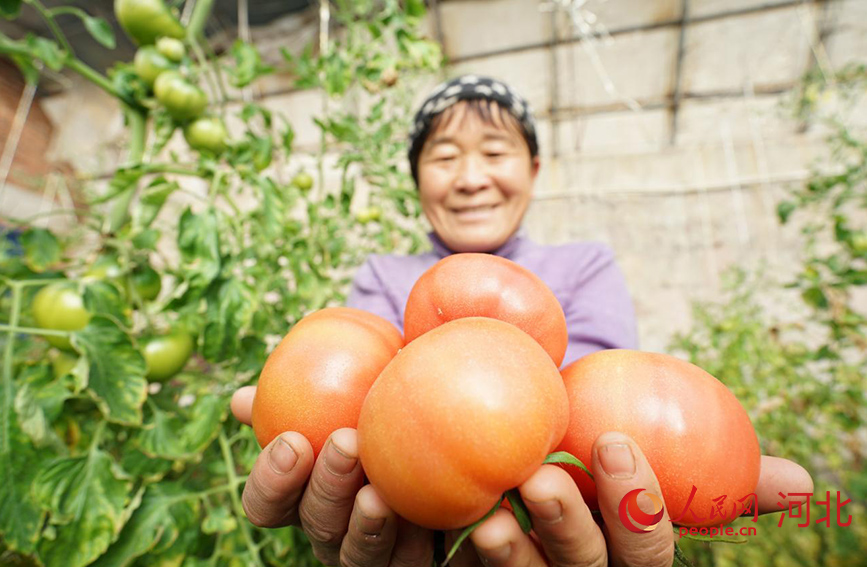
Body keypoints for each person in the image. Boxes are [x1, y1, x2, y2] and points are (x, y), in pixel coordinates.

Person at [231, 75, 814, 567]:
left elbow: (593, 407)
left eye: (494, 152)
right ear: (416, 179)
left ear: (533, 169)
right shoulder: (385, 277)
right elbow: (371, 413)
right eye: (443, 156)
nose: (470, 177)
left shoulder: (583, 263)